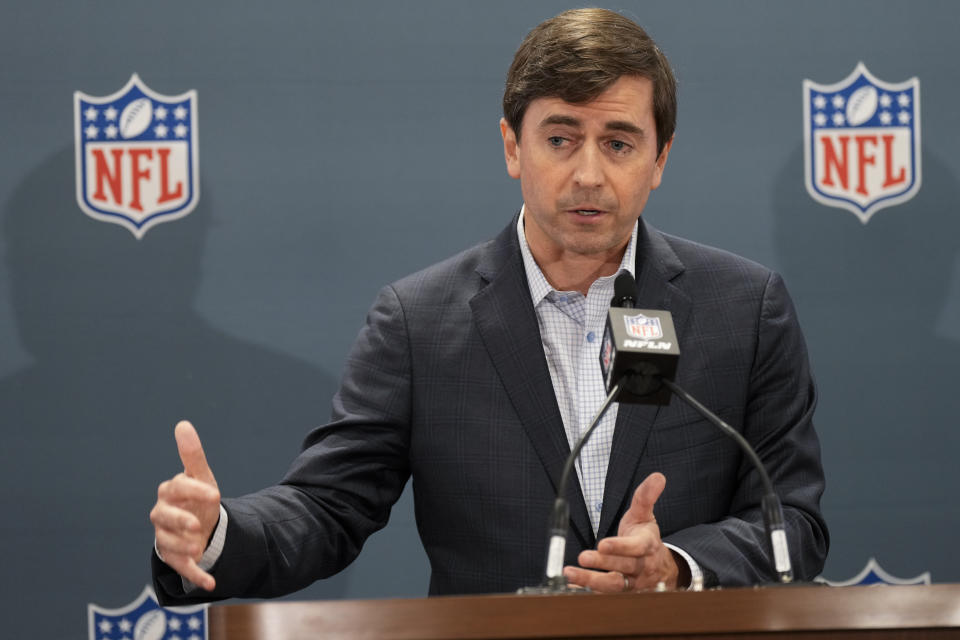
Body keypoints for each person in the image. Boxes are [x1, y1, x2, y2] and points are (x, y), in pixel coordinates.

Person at [150, 8, 828, 604]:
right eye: (560, 139)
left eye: (619, 143)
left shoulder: (742, 308)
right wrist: (216, 535)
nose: (589, 174)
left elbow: (793, 524)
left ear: (660, 159)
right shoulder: (419, 324)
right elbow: (329, 508)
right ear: (512, 146)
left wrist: (677, 569)